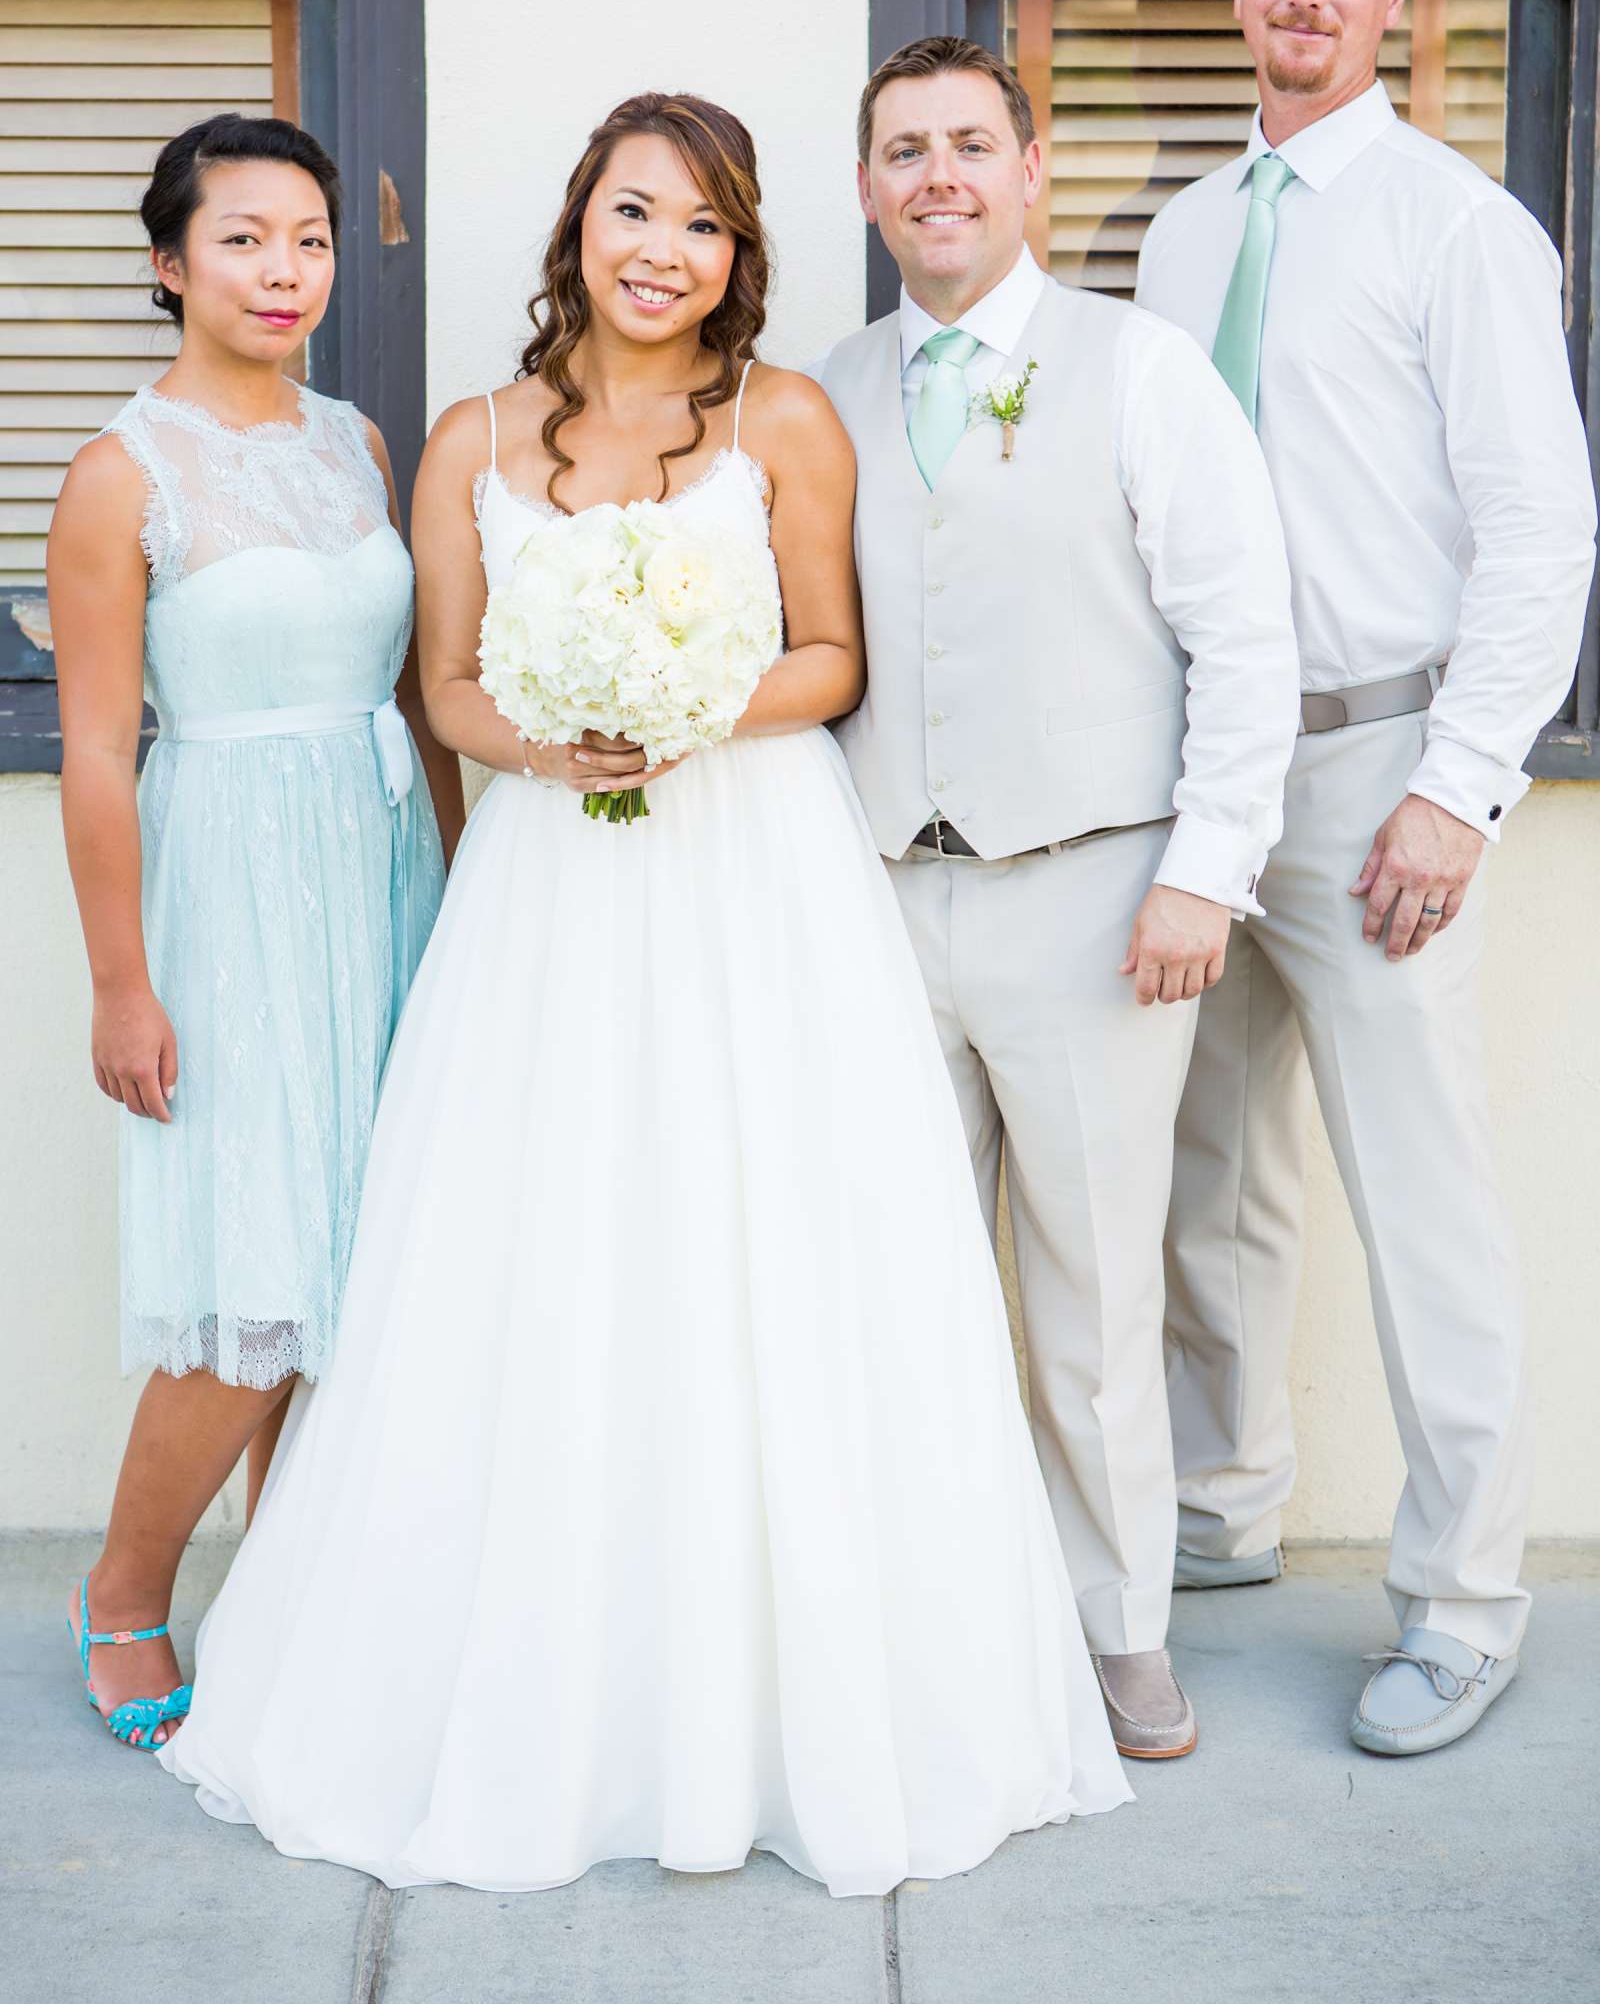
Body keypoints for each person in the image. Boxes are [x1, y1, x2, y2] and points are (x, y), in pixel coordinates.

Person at [157, 92, 1131, 1895]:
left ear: (739, 251)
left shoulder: (788, 421)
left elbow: (831, 656)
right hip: (547, 890)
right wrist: (550, 736)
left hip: (752, 878)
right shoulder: (470, 438)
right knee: (539, 1249)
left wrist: (690, 708)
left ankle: (782, 1702)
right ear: (577, 232)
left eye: (697, 222)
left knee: (763, 1244)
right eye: (630, 212)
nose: (660, 251)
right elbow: (442, 687)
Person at [1136, 0, 1596, 1755]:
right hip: (1198, 775)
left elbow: (1537, 525)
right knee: (1209, 1165)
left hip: (1380, 767)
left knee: (1423, 1200)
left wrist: (1462, 789)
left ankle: (1466, 1601)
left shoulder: (1453, 225)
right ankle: (1221, 1508)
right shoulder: (1177, 233)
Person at [817, 36, 1302, 1759]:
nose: (936, 175)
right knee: (897, 1282)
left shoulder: (1143, 369)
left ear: (1032, 169)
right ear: (868, 186)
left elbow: (1247, 642)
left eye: (968, 143)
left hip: (1097, 905)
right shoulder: (824, 391)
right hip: (880, 899)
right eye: (902, 150)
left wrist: (1201, 878)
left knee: (1095, 1290)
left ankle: (1119, 1633)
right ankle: (935, 1622)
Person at [48, 113, 458, 1753]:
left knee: (371, 1262)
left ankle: (300, 1600)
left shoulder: (359, 444)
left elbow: (423, 692)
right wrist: (121, 983)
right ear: (171, 264)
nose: (283, 270)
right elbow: (94, 749)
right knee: (258, 1272)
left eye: (308, 240)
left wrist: (464, 883)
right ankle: (125, 1592)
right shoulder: (119, 473)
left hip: (383, 862)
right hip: (226, 877)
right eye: (242, 239)